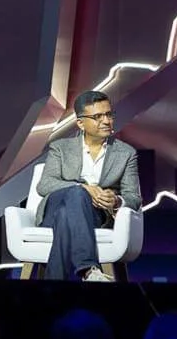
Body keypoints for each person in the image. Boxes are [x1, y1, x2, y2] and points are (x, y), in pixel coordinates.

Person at [34, 90, 142, 282]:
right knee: (76, 194)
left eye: (109, 114)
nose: (106, 121)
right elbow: (45, 185)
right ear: (81, 123)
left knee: (66, 216)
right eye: (97, 116)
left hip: (95, 215)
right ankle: (88, 269)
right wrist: (83, 188)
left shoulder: (126, 153)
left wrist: (116, 200)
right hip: (53, 210)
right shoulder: (60, 148)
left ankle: (52, 287)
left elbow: (134, 197)